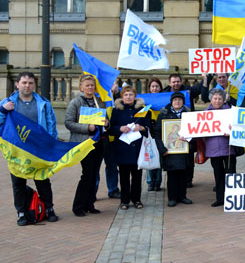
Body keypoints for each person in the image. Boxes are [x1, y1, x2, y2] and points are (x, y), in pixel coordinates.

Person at [0, 72, 59, 225]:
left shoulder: (43, 103)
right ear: (17, 84)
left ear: (34, 85)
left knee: (43, 179)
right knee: (18, 182)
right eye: (24, 82)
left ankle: (48, 209)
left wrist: (50, 142)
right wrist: (3, 111)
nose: (27, 86)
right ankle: (21, 213)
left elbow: (51, 123)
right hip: (17, 149)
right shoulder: (7, 103)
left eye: (30, 83)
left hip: (38, 147)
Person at [65, 74, 110, 217]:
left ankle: (89, 204)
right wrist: (86, 128)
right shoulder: (76, 102)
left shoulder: (99, 102)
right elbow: (69, 123)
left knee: (94, 174)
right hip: (84, 143)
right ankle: (78, 206)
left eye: (92, 85)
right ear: (81, 87)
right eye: (87, 85)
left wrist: (107, 123)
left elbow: (106, 119)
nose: (90, 88)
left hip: (99, 142)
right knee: (87, 174)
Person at [162, 73, 209, 188]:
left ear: (181, 81)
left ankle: (188, 180)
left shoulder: (188, 90)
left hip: (188, 130)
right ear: (169, 83)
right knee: (173, 159)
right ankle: (174, 184)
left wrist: (205, 78)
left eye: (178, 81)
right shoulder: (163, 93)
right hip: (171, 131)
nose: (176, 83)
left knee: (188, 158)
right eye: (174, 82)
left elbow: (200, 89)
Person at [109, 86, 151, 210]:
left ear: (135, 96)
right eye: (126, 95)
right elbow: (111, 129)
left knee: (137, 177)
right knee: (124, 177)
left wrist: (142, 128)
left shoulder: (143, 110)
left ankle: (136, 199)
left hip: (138, 148)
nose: (128, 97)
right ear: (122, 97)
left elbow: (149, 128)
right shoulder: (116, 111)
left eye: (130, 95)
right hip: (123, 148)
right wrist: (119, 129)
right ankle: (124, 200)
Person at [154, 92, 193, 207]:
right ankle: (172, 197)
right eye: (175, 100)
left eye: (179, 100)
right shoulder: (164, 115)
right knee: (172, 175)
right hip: (169, 151)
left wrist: (190, 144)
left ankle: (182, 196)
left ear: (183, 102)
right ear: (171, 102)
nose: (177, 102)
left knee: (183, 174)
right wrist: (162, 149)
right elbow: (157, 133)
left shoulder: (188, 114)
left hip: (184, 150)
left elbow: (194, 132)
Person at [204, 89, 237, 207]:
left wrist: (232, 129)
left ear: (224, 100)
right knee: (218, 174)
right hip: (213, 150)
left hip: (228, 148)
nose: (217, 101)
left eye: (220, 99)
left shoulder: (231, 112)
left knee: (231, 173)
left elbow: (238, 129)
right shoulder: (205, 114)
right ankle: (220, 198)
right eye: (215, 99)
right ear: (211, 100)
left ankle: (232, 197)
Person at [146, 77, 163, 191]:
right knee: (149, 157)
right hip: (149, 132)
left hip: (161, 131)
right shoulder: (145, 101)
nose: (155, 88)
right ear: (149, 88)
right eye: (152, 86)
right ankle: (150, 182)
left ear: (160, 88)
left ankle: (158, 182)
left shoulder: (164, 101)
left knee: (159, 158)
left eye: (157, 86)